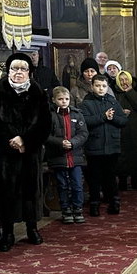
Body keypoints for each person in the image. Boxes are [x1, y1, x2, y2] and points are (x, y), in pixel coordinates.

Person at [0, 52, 51, 251]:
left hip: (29, 152)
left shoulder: (38, 93)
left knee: (30, 191)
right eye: (14, 68)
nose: (18, 72)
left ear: (29, 72)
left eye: (23, 69)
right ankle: (8, 232)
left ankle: (32, 228)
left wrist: (25, 140)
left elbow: (44, 124)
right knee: (5, 193)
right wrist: (8, 142)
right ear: (8, 70)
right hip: (4, 153)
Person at [80, 74, 128, 216]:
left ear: (107, 87)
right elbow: (85, 121)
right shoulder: (86, 103)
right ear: (92, 86)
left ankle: (114, 203)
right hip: (94, 146)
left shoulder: (112, 101)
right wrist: (103, 117)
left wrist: (112, 118)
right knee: (94, 177)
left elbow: (123, 120)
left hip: (112, 146)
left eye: (103, 86)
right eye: (97, 86)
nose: (101, 89)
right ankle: (94, 205)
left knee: (111, 176)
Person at [45, 86, 88, 224]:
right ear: (54, 100)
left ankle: (78, 208)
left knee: (77, 184)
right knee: (62, 185)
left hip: (75, 156)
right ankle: (66, 209)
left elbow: (83, 133)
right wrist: (60, 143)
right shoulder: (49, 115)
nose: (64, 101)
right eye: (60, 99)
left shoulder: (77, 114)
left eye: (66, 99)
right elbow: (45, 135)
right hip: (58, 156)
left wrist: (73, 143)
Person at [115, 70, 137, 191]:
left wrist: (130, 92)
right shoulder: (114, 93)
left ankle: (135, 179)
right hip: (121, 131)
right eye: (121, 80)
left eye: (126, 79)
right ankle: (122, 180)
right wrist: (120, 112)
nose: (124, 82)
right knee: (122, 157)